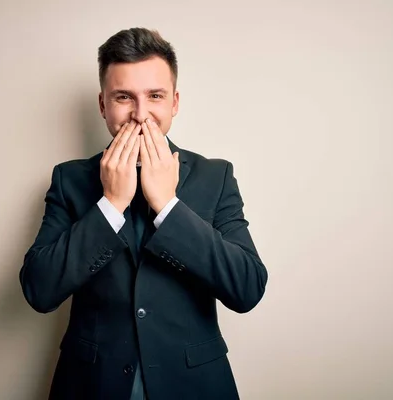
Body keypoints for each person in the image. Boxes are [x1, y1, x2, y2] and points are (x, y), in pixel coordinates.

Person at [19, 27, 268, 400]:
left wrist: (168, 206)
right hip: (92, 387)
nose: (140, 114)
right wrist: (110, 205)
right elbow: (38, 290)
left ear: (174, 102)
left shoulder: (215, 177)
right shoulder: (69, 180)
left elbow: (247, 288)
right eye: (123, 97)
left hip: (194, 387)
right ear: (103, 105)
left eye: (155, 96)